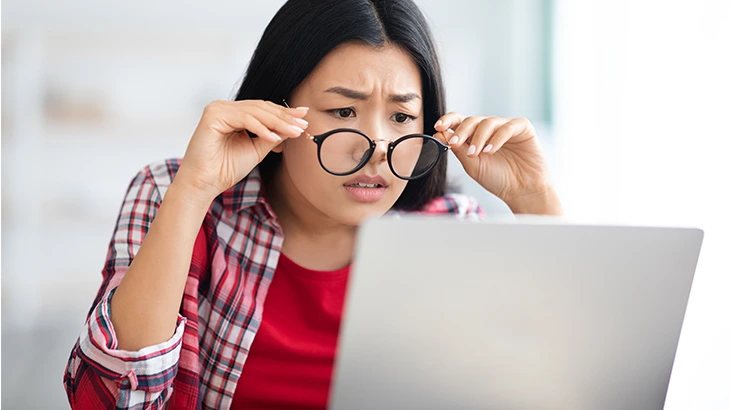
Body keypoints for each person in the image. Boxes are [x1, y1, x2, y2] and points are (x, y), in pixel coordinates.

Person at [63, 0, 563, 408]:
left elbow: (569, 384)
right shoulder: (175, 193)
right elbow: (108, 401)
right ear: (277, 116)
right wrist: (193, 190)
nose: (375, 148)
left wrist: (533, 196)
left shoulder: (452, 233)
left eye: (402, 117)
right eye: (343, 110)